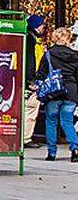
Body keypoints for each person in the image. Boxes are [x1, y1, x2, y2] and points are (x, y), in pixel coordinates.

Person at [34, 26, 78, 162]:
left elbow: (41, 74)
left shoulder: (48, 54)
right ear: (68, 39)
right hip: (71, 92)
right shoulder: (75, 56)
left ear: (55, 38)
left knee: (51, 121)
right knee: (68, 121)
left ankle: (51, 153)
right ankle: (75, 148)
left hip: (54, 92)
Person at [23, 15, 46, 149]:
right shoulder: (31, 40)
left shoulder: (30, 38)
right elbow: (30, 62)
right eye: (42, 24)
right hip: (31, 82)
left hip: (28, 80)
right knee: (30, 110)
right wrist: (30, 80)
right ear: (37, 25)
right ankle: (26, 138)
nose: (43, 27)